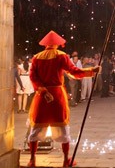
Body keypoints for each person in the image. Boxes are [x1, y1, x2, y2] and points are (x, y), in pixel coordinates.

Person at [27, 31, 100, 167]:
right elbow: (74, 72)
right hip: (57, 96)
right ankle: (66, 159)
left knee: (36, 128)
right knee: (63, 127)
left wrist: (43, 91)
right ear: (56, 44)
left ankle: (32, 159)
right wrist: (91, 71)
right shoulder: (61, 56)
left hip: (41, 96)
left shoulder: (36, 58)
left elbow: (33, 78)